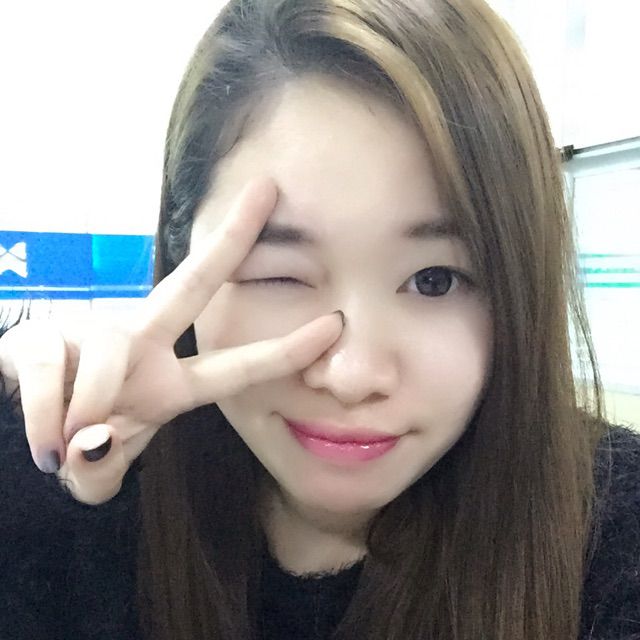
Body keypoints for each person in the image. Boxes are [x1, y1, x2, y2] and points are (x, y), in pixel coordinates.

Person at [1, 0, 639, 638]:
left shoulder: (615, 538)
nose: (352, 376)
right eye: (279, 276)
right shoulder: (92, 498)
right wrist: (24, 444)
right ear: (180, 255)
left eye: (435, 280)